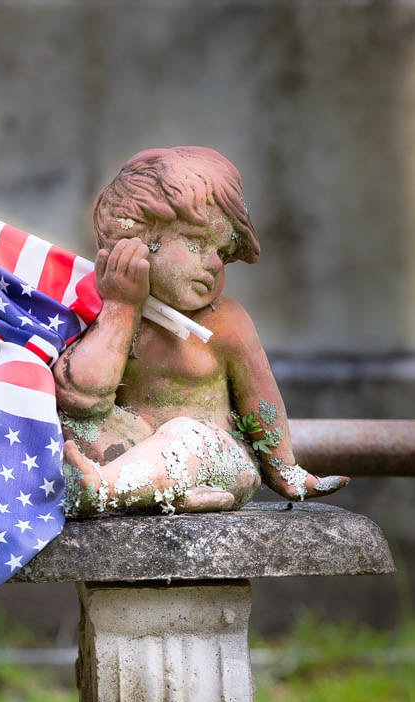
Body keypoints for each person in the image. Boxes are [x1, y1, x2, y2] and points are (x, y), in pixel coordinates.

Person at [54, 146, 348, 513]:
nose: (214, 264)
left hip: (217, 455)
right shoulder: (103, 306)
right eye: (196, 243)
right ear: (137, 243)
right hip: (133, 452)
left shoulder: (226, 321)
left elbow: (261, 399)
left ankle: (102, 489)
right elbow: (81, 398)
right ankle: (158, 493)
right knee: (77, 422)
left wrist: (284, 469)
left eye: (222, 253)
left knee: (187, 436)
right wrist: (122, 309)